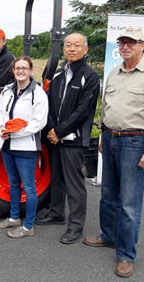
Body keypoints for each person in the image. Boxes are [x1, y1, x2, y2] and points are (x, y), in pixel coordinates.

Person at [84, 26, 144, 277]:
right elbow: (107, 107)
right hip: (110, 138)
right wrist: (102, 135)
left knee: (130, 203)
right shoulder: (114, 73)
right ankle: (108, 236)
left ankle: (126, 255)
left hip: (135, 143)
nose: (125, 47)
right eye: (122, 42)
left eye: (131, 43)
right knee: (108, 194)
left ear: (143, 45)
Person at [34, 33, 100, 245]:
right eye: (68, 45)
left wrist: (60, 131)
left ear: (85, 49)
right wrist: (52, 129)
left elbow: (83, 111)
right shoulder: (59, 74)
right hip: (55, 136)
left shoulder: (90, 76)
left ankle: (76, 225)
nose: (72, 49)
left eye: (77, 45)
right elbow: (49, 103)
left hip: (74, 139)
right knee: (56, 177)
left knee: (74, 183)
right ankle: (56, 213)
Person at [0, 56, 48, 238]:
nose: (21, 71)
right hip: (7, 144)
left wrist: (16, 132)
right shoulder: (7, 90)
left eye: (25, 68)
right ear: (13, 70)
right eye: (18, 68)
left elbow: (38, 122)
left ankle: (28, 226)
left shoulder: (38, 93)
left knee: (29, 187)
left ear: (31, 70)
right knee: (14, 183)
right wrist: (0, 128)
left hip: (26, 147)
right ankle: (14, 218)